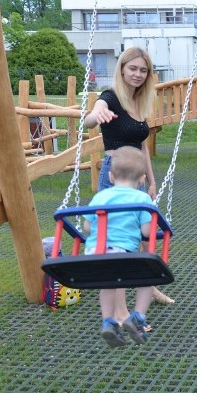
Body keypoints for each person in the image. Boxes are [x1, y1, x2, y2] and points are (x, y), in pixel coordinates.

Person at [84, 46, 175, 314]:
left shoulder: (138, 102)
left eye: (143, 70)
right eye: (132, 68)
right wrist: (95, 116)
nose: (137, 74)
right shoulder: (110, 98)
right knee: (120, 243)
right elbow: (90, 119)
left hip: (137, 176)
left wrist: (152, 180)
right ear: (122, 68)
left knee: (145, 236)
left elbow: (142, 145)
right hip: (115, 174)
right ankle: (121, 313)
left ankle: (148, 283)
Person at [82, 146, 156, 347]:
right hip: (122, 253)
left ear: (111, 176)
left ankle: (109, 321)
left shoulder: (101, 197)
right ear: (142, 178)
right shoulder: (142, 199)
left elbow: (87, 227)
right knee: (148, 279)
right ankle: (138, 317)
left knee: (108, 284)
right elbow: (148, 233)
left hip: (94, 254)